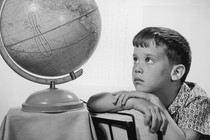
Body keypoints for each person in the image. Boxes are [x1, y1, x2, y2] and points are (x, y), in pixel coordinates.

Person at [87, 27, 210, 140]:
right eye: (135, 59)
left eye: (149, 60)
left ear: (176, 72)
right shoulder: (145, 93)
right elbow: (94, 102)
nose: (137, 68)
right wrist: (135, 102)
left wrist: (154, 101)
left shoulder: (197, 100)